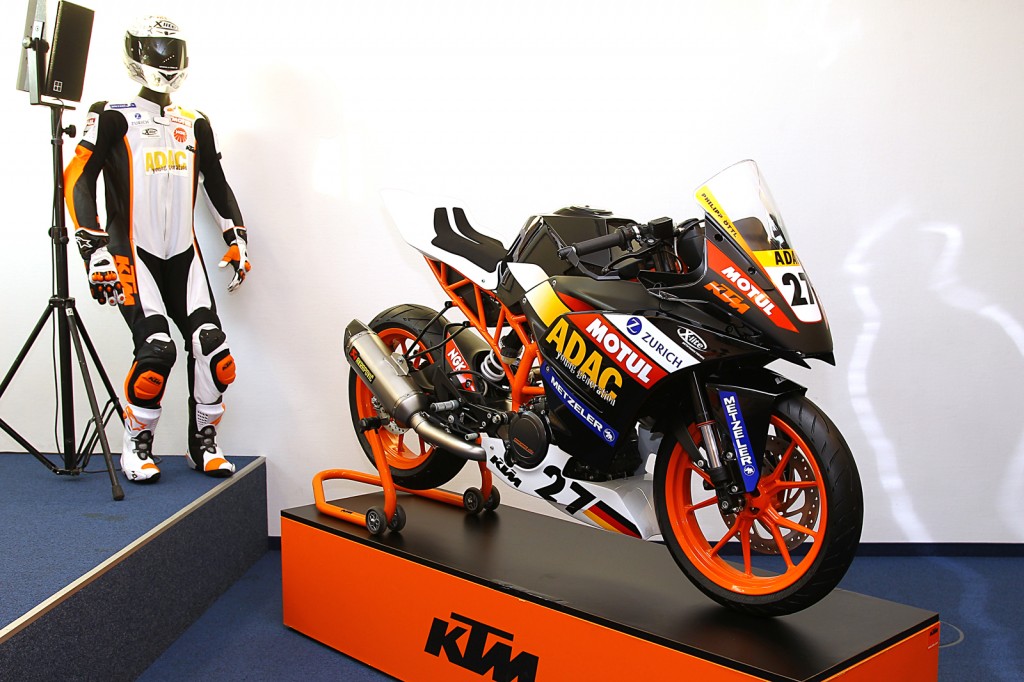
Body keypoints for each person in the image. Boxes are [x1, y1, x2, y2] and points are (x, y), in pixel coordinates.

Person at [64, 16, 250, 483]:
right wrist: (93, 248)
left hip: (183, 255)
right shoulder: (112, 114)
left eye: (173, 52)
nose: (166, 62)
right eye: (155, 51)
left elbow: (217, 183)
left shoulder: (195, 121)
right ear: (135, 53)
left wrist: (237, 238)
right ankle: (136, 443)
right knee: (156, 350)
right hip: (131, 253)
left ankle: (203, 443)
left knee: (212, 347)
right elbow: (78, 178)